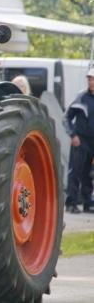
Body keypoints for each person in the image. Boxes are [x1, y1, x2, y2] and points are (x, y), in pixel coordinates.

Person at [63, 67, 94, 214]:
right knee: (75, 172)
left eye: (93, 79)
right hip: (80, 140)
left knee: (88, 173)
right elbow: (67, 117)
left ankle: (88, 203)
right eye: (89, 79)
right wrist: (72, 135)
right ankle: (71, 203)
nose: (91, 82)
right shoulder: (81, 97)